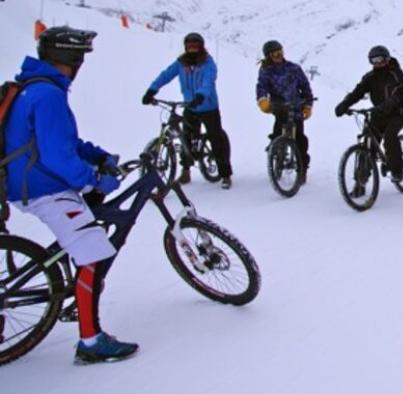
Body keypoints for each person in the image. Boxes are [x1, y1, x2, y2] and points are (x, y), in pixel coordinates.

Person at [3, 26, 138, 363]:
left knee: (84, 235)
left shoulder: (34, 87)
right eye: (80, 58)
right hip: (42, 189)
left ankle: (73, 280)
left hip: (28, 182)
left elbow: (62, 141)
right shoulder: (48, 95)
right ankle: (91, 343)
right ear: (70, 58)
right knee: (93, 253)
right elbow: (58, 157)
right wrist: (94, 179)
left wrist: (97, 155)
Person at [142, 32, 233, 189]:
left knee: (215, 139)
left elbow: (208, 82)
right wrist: (152, 90)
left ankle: (225, 174)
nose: (192, 48)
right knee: (186, 138)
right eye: (189, 45)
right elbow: (166, 75)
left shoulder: (208, 63)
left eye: (195, 45)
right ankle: (186, 171)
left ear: (201, 46)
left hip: (208, 107)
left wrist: (201, 95)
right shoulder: (181, 63)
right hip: (190, 106)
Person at [334, 45, 403, 187]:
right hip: (378, 114)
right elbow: (358, 92)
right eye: (373, 61)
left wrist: (385, 106)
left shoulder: (396, 74)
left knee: (389, 137)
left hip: (397, 113)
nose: (377, 63)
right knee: (367, 143)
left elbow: (397, 96)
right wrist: (344, 105)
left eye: (380, 59)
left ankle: (397, 170)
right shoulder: (370, 78)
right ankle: (360, 182)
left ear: (387, 58)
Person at [256, 40, 315, 182]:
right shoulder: (266, 70)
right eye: (274, 53)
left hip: (296, 108)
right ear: (268, 56)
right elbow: (261, 86)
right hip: (279, 108)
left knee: (300, 139)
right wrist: (263, 100)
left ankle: (302, 169)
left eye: (280, 51)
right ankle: (276, 155)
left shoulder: (293, 68)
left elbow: (305, 87)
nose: (278, 55)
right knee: (277, 134)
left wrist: (307, 104)